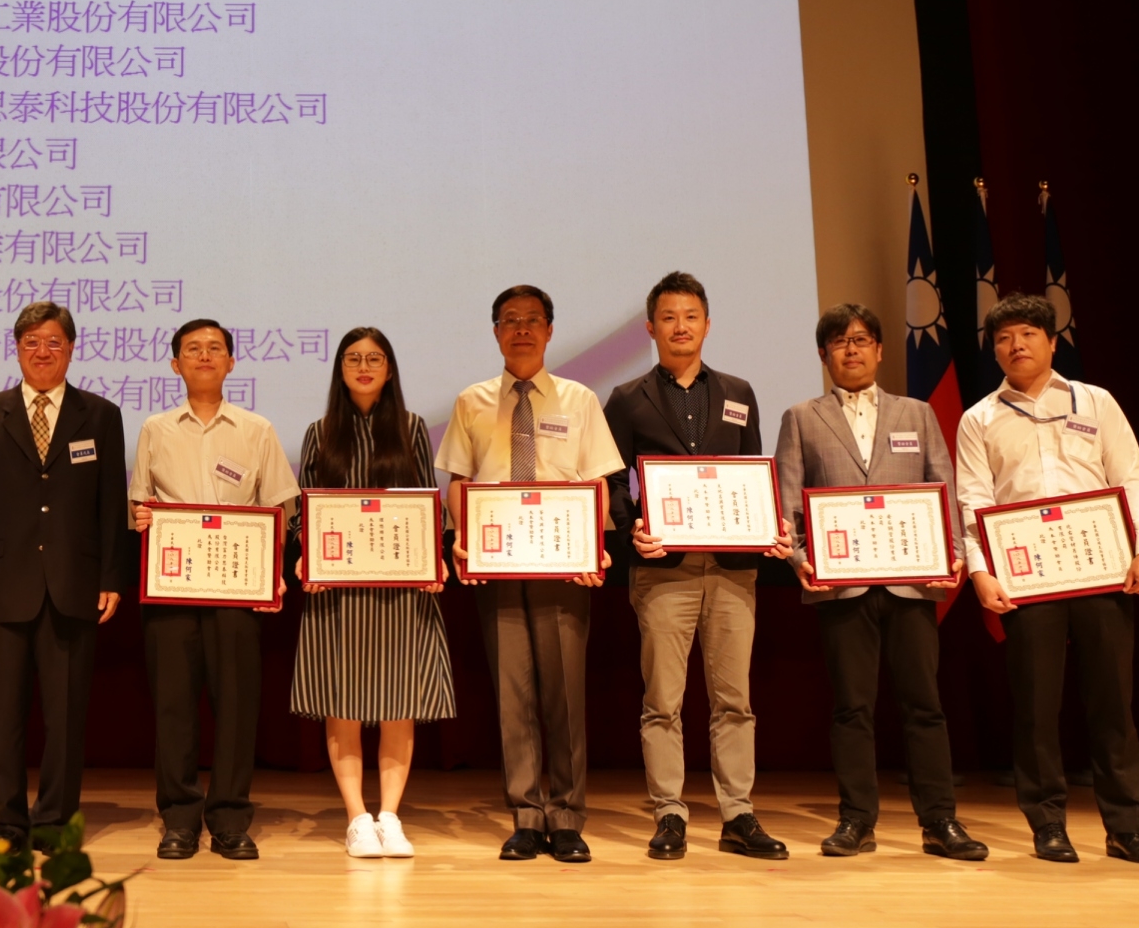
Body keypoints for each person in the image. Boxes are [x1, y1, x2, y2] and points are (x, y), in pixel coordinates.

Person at [959, 293, 1139, 865]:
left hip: (1103, 569)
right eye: (1003, 338)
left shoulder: (1096, 402)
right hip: (1026, 580)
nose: (1016, 345)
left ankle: (1127, 828)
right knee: (1035, 707)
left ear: (1052, 342)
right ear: (994, 349)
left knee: (1112, 704)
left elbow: (1132, 480)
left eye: (1028, 334)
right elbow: (973, 501)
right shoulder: (979, 418)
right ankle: (1047, 823)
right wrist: (980, 571)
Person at [774, 305, 986, 861]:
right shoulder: (801, 417)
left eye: (862, 339)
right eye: (840, 342)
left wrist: (954, 554)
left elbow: (944, 488)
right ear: (823, 354)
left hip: (911, 583)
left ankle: (940, 821)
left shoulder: (917, 413)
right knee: (852, 708)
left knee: (924, 705)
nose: (852, 349)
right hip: (839, 587)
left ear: (880, 350)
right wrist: (801, 560)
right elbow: (787, 503)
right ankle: (856, 820)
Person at [606, 270, 791, 860]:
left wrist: (768, 524)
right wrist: (632, 527)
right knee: (663, 700)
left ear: (707, 324)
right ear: (650, 328)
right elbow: (613, 482)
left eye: (690, 316)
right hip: (664, 569)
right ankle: (670, 813)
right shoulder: (626, 398)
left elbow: (754, 471)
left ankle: (738, 814)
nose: (680, 326)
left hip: (734, 567)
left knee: (734, 699)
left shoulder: (739, 392)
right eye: (668, 317)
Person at [435, 287, 620, 863]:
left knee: (563, 694)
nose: (521, 329)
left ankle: (566, 817)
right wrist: (463, 539)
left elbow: (598, 482)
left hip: (563, 566)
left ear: (549, 330)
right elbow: (460, 481)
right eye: (509, 320)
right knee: (512, 696)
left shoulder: (580, 399)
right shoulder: (471, 401)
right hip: (496, 566)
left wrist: (594, 547)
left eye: (532, 320)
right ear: (496, 332)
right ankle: (525, 816)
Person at [0, 300, 127, 847]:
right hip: (2, 586)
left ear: (71, 349)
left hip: (74, 584)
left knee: (66, 717)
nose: (42, 352)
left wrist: (112, 576)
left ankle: (53, 822)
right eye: (31, 342)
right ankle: (5, 823)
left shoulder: (100, 415)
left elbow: (110, 505)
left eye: (53, 342)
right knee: (2, 716)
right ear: (17, 349)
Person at [130, 319, 299, 861]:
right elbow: (139, 502)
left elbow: (279, 507)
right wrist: (142, 517)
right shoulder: (156, 428)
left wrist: (268, 564)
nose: (204, 356)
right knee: (173, 707)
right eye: (192, 349)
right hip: (172, 588)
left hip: (236, 587)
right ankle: (179, 819)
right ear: (175, 364)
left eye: (215, 348)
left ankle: (229, 818)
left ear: (230, 362)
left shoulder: (257, 429)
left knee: (237, 706)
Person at [289, 327, 455, 859]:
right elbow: (305, 508)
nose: (364, 367)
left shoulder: (411, 427)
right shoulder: (320, 433)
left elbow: (428, 502)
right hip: (338, 589)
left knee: (397, 702)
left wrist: (433, 558)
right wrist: (305, 553)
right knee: (343, 703)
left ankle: (391, 816)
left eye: (374, 358)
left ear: (389, 369)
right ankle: (357, 818)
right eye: (353, 359)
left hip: (399, 587)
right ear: (340, 369)